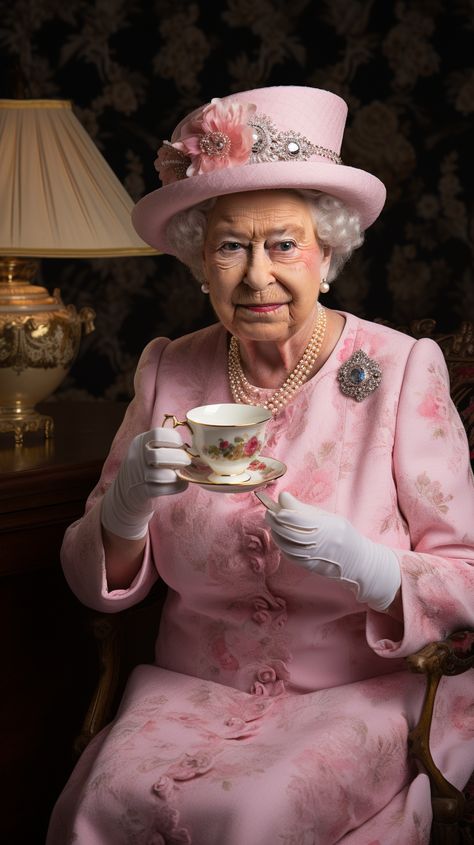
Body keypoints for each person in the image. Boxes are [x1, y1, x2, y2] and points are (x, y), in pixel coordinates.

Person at [47, 86, 474, 845]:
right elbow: (91, 577)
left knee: (252, 818)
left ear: (327, 253)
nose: (256, 277)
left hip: (355, 695)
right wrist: (123, 511)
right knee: (95, 808)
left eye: (283, 243)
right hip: (187, 692)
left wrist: (369, 566)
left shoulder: (401, 369)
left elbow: (467, 574)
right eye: (230, 247)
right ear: (200, 264)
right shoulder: (166, 370)